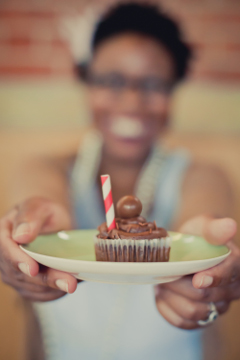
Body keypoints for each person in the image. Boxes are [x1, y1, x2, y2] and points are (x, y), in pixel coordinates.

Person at [0, 3, 239, 360]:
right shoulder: (45, 168)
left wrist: (207, 259)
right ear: (86, 80)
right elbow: (38, 194)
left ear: (174, 89)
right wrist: (27, 229)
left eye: (153, 83)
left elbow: (208, 213)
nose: (131, 101)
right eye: (111, 80)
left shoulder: (203, 174)